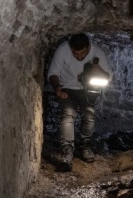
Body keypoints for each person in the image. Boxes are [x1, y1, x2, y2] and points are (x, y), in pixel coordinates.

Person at [47, 33, 113, 171]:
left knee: (89, 115)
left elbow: (108, 76)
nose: (79, 57)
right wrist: (57, 87)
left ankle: (85, 146)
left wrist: (98, 70)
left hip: (87, 88)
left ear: (88, 47)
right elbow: (53, 72)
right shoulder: (63, 50)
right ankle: (67, 151)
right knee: (68, 115)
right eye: (75, 54)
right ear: (71, 49)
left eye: (82, 53)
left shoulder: (97, 52)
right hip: (67, 87)